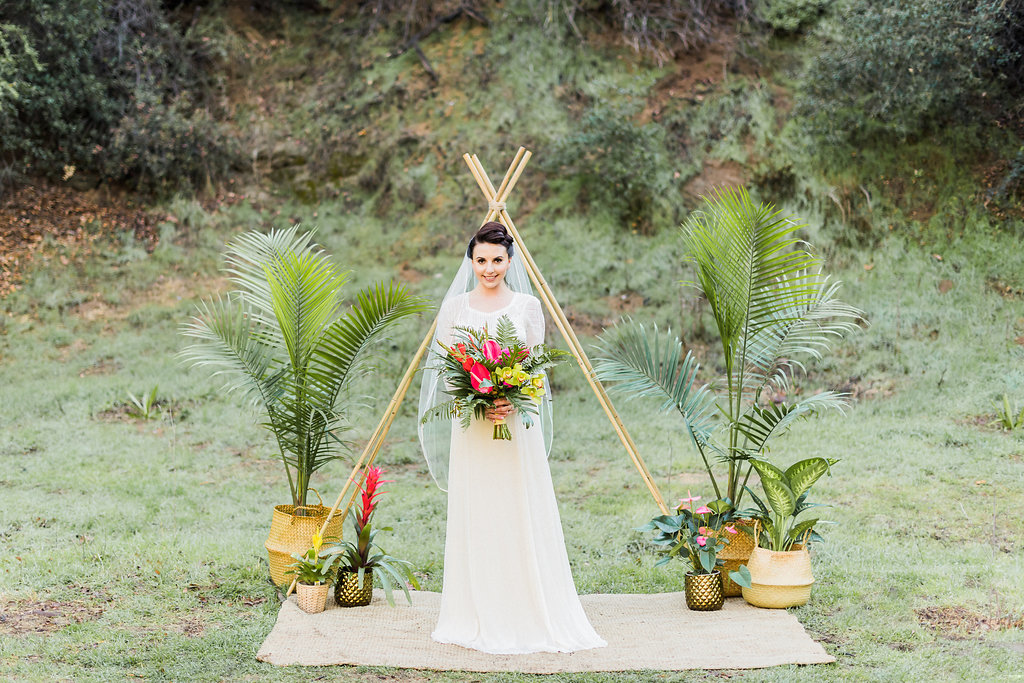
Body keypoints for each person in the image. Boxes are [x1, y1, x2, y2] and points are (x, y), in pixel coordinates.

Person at [418, 221, 606, 655]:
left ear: (510, 261)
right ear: (470, 261)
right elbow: (448, 373)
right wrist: (477, 401)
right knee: (479, 510)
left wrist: (510, 399)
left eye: (497, 260)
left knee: (516, 508)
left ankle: (527, 606)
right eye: (481, 260)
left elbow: (535, 371)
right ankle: (476, 608)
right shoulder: (454, 309)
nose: (488, 269)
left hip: (515, 427)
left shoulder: (526, 307)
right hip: (473, 430)